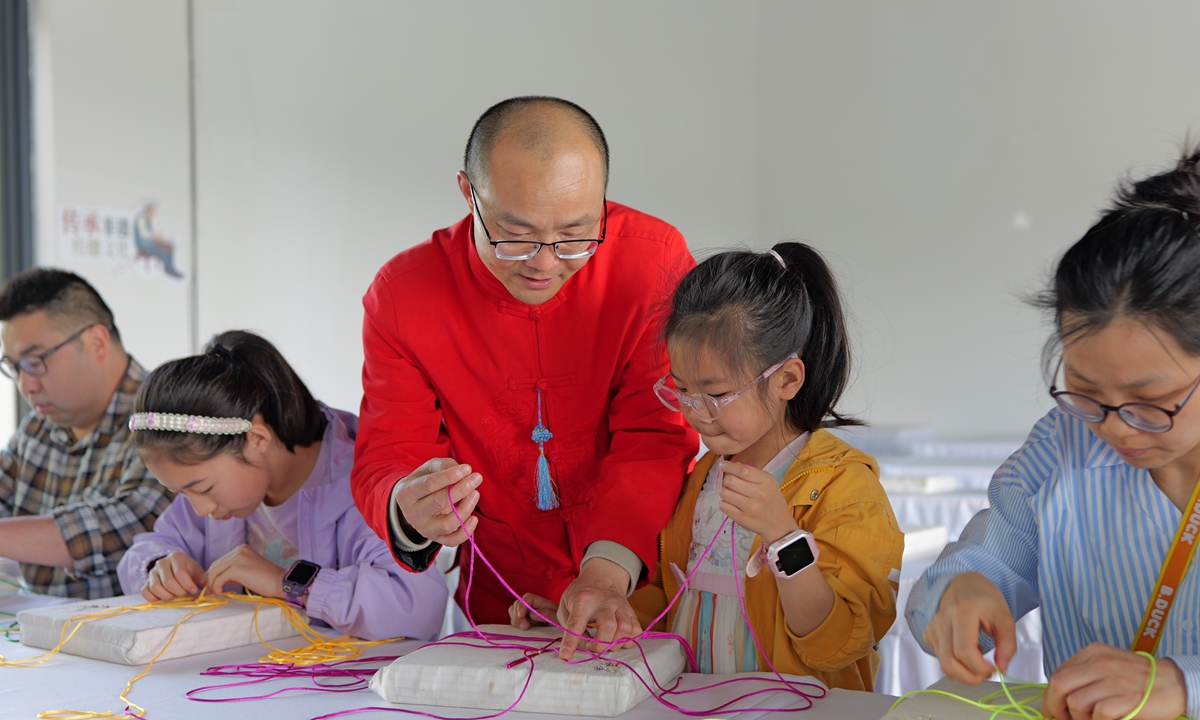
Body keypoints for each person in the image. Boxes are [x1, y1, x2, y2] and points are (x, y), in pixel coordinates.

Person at [352, 96, 697, 657]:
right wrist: (407, 505)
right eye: (515, 235)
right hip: (500, 604)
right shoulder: (404, 295)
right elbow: (390, 451)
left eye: (576, 234)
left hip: (636, 588)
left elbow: (654, 436)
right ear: (469, 193)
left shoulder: (652, 263)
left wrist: (607, 576)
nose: (545, 262)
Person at [906, 148, 1200, 720]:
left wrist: (1184, 684)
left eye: (1151, 402)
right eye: (1086, 391)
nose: (1113, 427)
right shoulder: (1064, 445)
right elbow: (977, 567)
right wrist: (960, 595)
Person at [572, 243, 901, 690]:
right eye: (682, 389)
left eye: (715, 393)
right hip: (699, 704)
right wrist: (600, 615)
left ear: (787, 379)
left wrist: (784, 538)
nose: (694, 412)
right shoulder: (705, 476)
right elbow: (673, 599)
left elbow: (840, 642)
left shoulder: (845, 485)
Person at [118, 332, 446, 641]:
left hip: (350, 692)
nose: (199, 508)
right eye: (182, 493)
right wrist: (159, 566)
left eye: (202, 488)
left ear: (257, 439)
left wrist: (288, 583)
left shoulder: (363, 480)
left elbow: (418, 607)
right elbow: (144, 552)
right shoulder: (218, 483)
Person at [0, 267, 174, 598]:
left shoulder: (163, 417)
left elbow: (131, 525)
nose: (26, 385)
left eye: (35, 362)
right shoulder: (39, 425)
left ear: (95, 341)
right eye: (13, 367)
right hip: (45, 632)